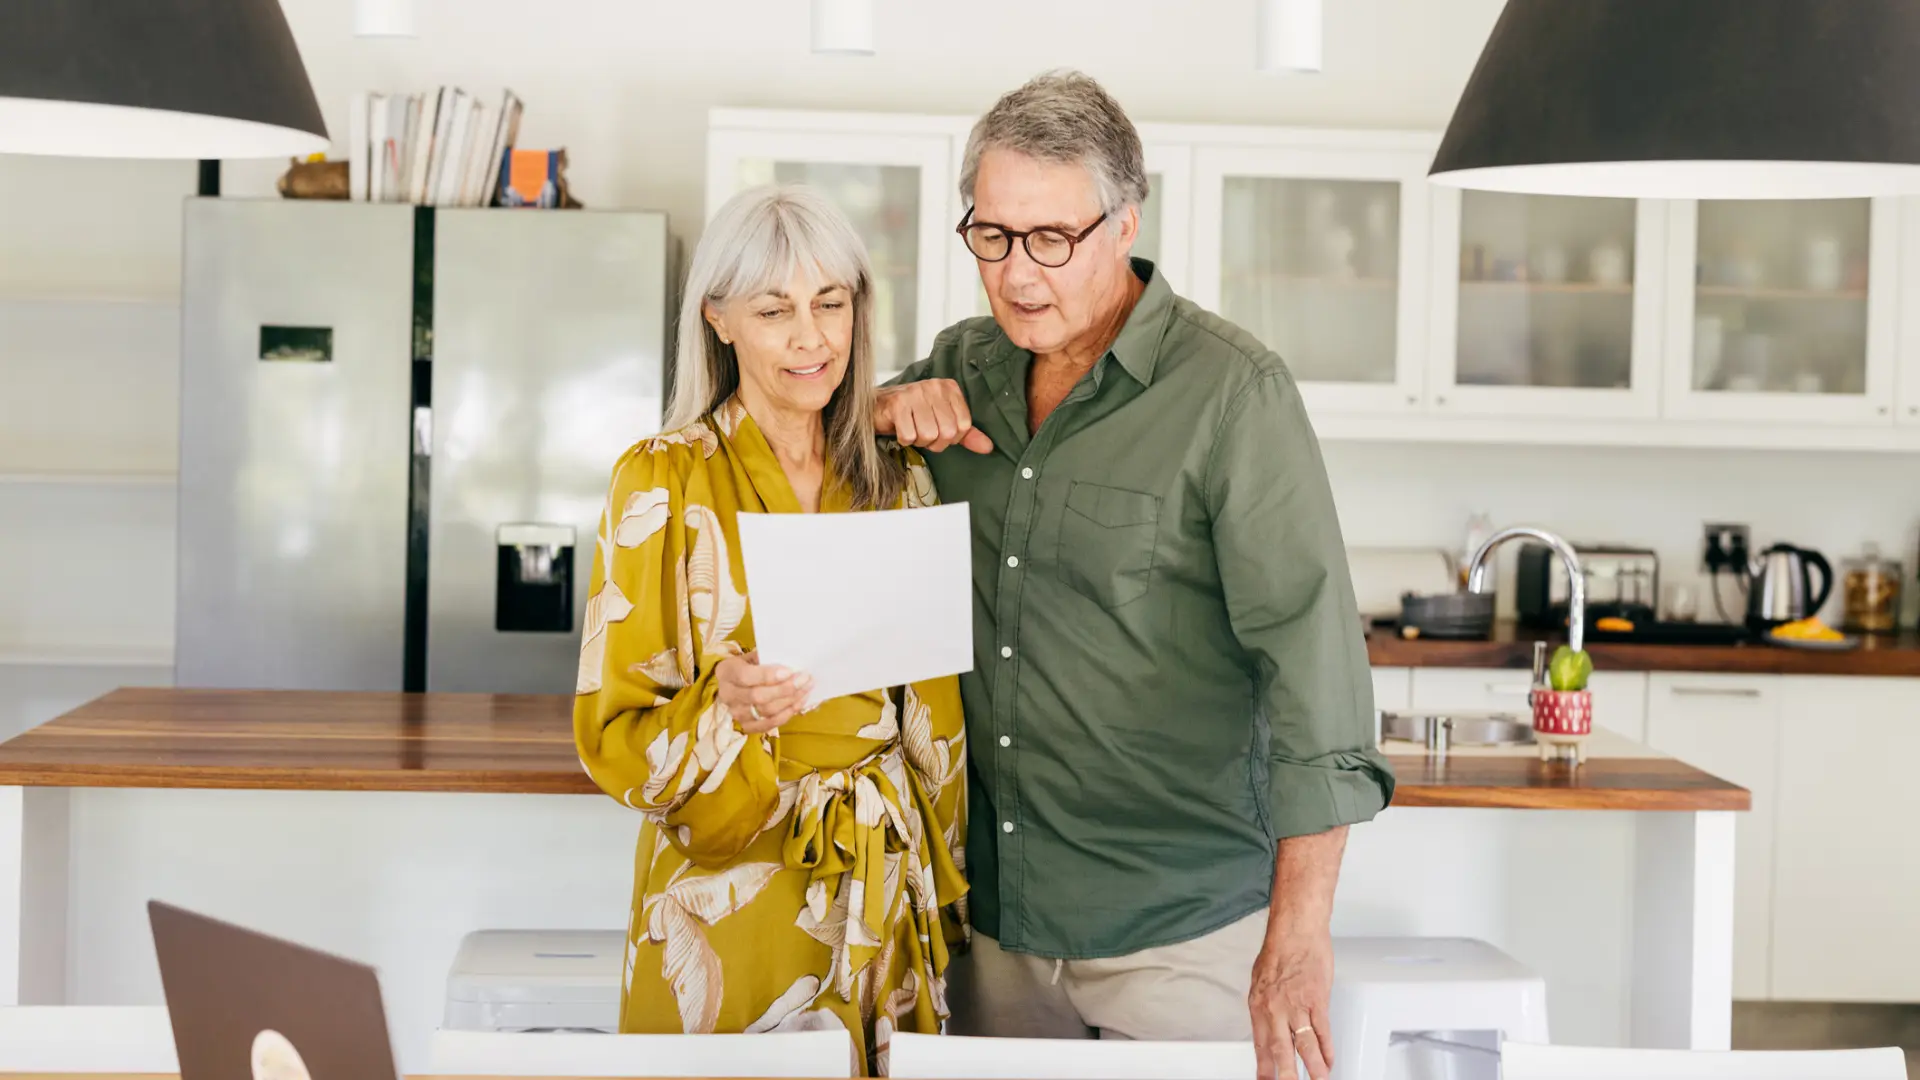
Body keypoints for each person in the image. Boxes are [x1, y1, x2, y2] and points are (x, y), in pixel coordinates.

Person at [878, 71, 1395, 1080]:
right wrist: (878, 417)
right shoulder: (959, 366)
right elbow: (804, 460)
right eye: (991, 235)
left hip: (1179, 931)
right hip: (992, 927)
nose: (1018, 273)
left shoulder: (1232, 394)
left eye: (1050, 239)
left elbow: (1316, 674)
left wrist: (1296, 938)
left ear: (1125, 224)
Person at [574, 184, 968, 1076]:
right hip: (731, 895)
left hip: (880, 881)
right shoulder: (660, 482)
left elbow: (936, 713)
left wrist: (943, 896)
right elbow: (611, 733)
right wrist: (726, 710)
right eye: (775, 309)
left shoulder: (896, 477)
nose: (811, 337)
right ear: (718, 319)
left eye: (832, 304)